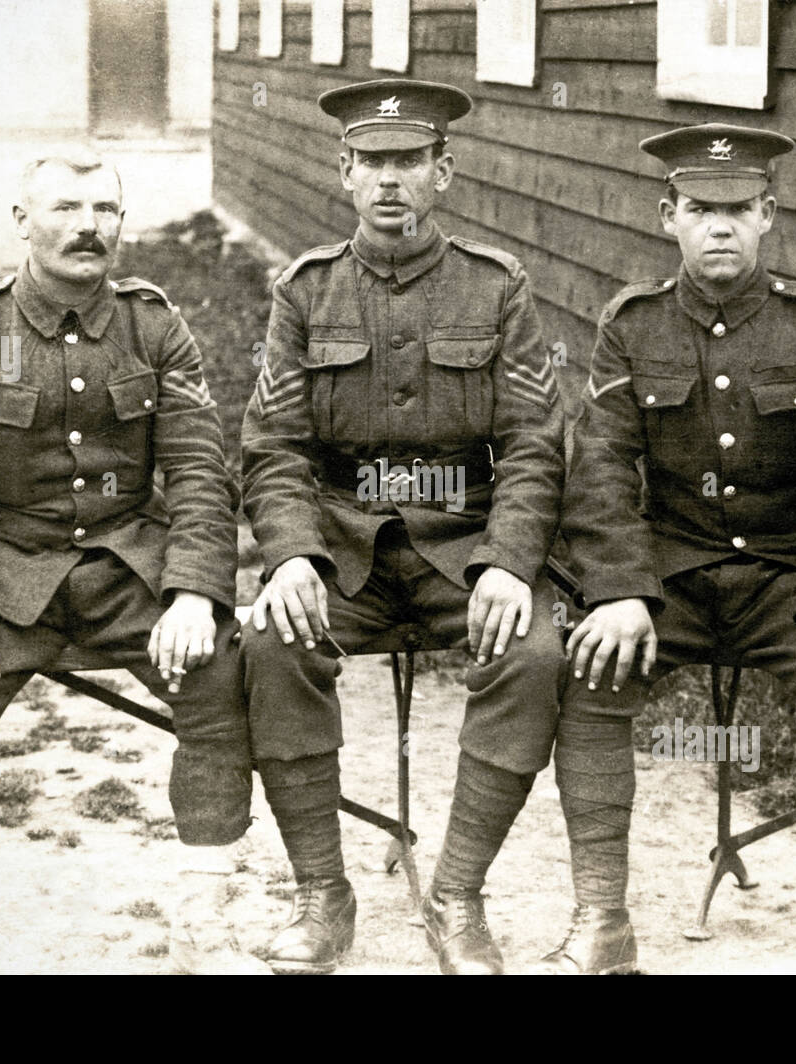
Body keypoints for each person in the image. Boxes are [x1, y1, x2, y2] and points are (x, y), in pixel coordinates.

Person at [0, 149, 265, 974]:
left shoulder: (154, 326)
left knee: (217, 673)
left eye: (105, 211)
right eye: (65, 208)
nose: (88, 227)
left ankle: (204, 917)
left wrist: (197, 592)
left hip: (123, 567)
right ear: (23, 222)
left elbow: (201, 472)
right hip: (1, 570)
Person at [545, 123, 796, 974]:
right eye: (701, 208)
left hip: (790, 582)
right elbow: (597, 470)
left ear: (768, 215)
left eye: (738, 209)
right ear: (669, 214)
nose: (719, 227)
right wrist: (618, 589)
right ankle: (601, 923)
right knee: (588, 673)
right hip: (670, 581)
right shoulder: (630, 327)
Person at [240, 79, 566, 974]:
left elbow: (537, 444)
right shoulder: (305, 292)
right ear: (344, 172)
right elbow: (271, 448)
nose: (391, 180)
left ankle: (458, 893)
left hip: (463, 550)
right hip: (342, 551)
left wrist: (508, 561)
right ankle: (322, 894)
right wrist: (292, 556)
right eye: (372, 162)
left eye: (409, 161)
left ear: (443, 172)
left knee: (535, 654)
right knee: (271, 645)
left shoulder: (497, 289)